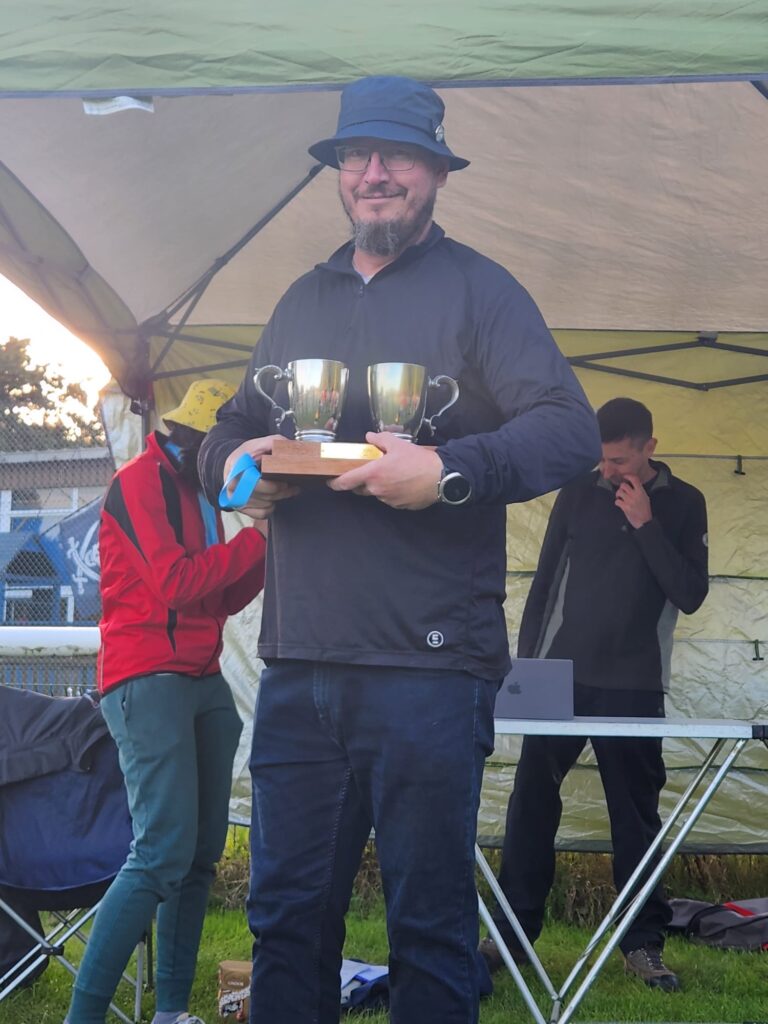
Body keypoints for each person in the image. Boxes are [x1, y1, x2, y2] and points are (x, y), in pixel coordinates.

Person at [198, 75, 601, 1024]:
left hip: (430, 668)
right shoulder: (302, 297)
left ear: (437, 173)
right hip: (299, 662)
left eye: (398, 157)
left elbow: (569, 430)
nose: (374, 173)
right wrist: (237, 474)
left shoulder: (481, 291)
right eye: (357, 156)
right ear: (339, 171)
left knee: (428, 927)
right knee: (284, 922)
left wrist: (449, 472)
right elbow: (229, 433)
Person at [480, 397, 709, 993]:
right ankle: (511, 936)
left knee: (635, 816)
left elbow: (690, 593)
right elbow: (545, 582)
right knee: (531, 802)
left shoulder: (684, 503)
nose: (609, 471)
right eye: (602, 460)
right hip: (561, 677)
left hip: (635, 683)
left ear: (649, 448)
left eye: (620, 460)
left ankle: (643, 943)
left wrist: (645, 523)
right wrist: (526, 668)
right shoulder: (578, 493)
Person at [65, 379, 267, 1024]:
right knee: (160, 854)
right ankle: (83, 1017)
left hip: (203, 678)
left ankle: (172, 1012)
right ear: (196, 438)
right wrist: (259, 540)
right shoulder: (138, 482)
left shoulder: (198, 488)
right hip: (145, 678)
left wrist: (267, 552)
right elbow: (178, 585)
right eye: (224, 448)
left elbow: (220, 598)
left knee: (201, 856)